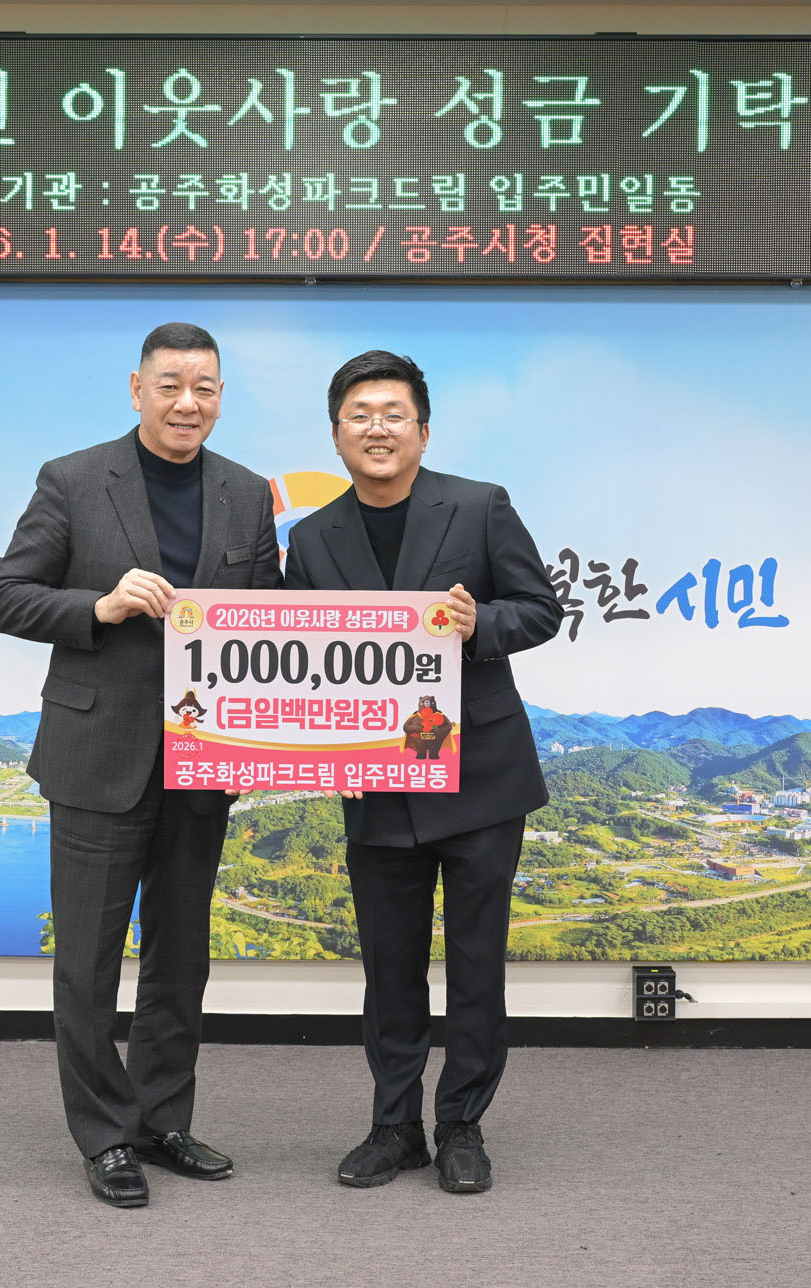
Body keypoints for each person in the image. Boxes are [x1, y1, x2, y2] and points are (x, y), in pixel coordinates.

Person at [0, 321, 281, 1208]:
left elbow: (267, 617)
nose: (188, 403)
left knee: (181, 959)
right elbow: (8, 597)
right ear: (136, 388)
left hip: (204, 756)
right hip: (96, 753)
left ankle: (161, 1121)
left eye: (205, 388)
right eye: (171, 385)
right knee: (86, 963)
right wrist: (101, 606)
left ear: (221, 397)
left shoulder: (245, 493)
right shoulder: (73, 479)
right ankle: (105, 1135)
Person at [283, 349, 560, 1195]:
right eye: (359, 415)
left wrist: (479, 626)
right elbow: (296, 661)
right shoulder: (312, 539)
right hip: (375, 781)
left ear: (423, 430)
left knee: (477, 965)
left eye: (393, 413)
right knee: (389, 969)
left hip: (478, 777)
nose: (377, 428)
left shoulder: (479, 506)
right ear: (337, 435)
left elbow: (540, 609)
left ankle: (462, 1126)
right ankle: (394, 1126)